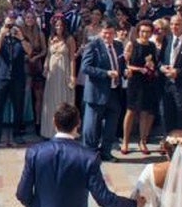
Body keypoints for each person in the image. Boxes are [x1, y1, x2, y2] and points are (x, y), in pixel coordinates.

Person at [81, 20, 125, 162]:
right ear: (100, 32)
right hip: (97, 91)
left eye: (111, 33)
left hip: (114, 91)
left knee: (111, 125)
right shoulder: (92, 46)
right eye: (105, 33)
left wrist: (125, 72)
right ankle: (90, 153)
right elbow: (85, 68)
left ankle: (106, 151)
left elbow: (121, 65)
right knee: (91, 126)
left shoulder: (118, 46)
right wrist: (106, 73)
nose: (108, 36)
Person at [0, 17, 30, 148]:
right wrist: (2, 33)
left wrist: (21, 37)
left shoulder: (20, 38)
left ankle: (17, 134)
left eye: (13, 25)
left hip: (17, 77)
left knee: (18, 106)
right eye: (8, 25)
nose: (10, 27)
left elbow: (29, 51)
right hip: (2, 76)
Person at [121, 20, 158, 156]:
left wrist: (151, 67)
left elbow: (153, 62)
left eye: (148, 31)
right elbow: (126, 64)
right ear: (138, 31)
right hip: (135, 81)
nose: (145, 34)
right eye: (143, 31)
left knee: (144, 112)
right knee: (130, 111)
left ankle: (142, 140)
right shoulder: (132, 44)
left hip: (147, 81)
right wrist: (140, 69)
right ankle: (125, 141)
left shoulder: (152, 46)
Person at [39, 16, 77, 138]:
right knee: (50, 101)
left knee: (63, 100)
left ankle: (66, 131)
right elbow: (48, 55)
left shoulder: (69, 39)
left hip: (64, 72)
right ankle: (49, 131)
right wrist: (45, 67)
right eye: (56, 25)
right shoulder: (51, 38)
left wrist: (72, 75)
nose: (58, 27)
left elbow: (72, 58)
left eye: (61, 25)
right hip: (52, 73)